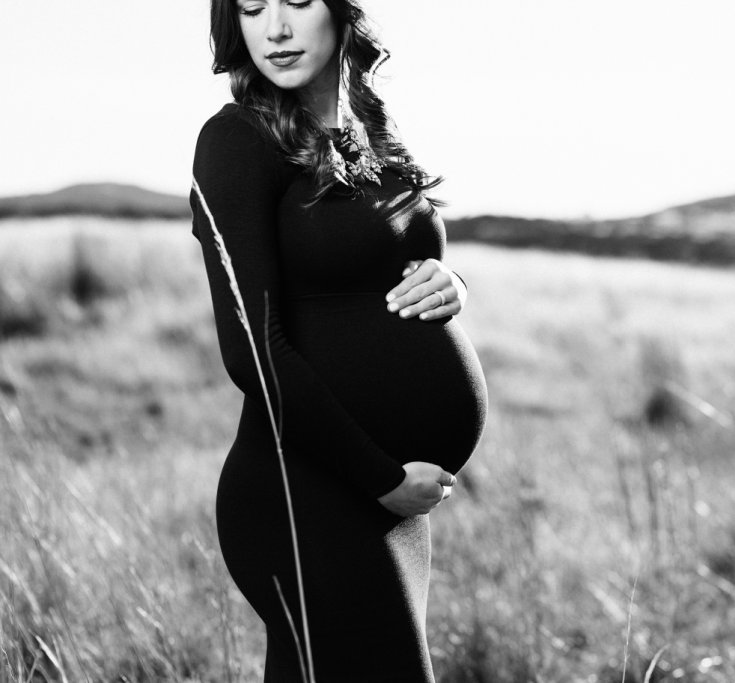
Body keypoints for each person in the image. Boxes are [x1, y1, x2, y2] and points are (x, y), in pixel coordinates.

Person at [190, 1, 486, 679]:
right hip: (310, 490)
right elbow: (252, 351)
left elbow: (392, 259)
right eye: (253, 8)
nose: (276, 29)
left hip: (389, 502)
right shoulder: (236, 140)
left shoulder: (367, 130)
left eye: (296, 1)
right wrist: (380, 477)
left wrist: (454, 285)